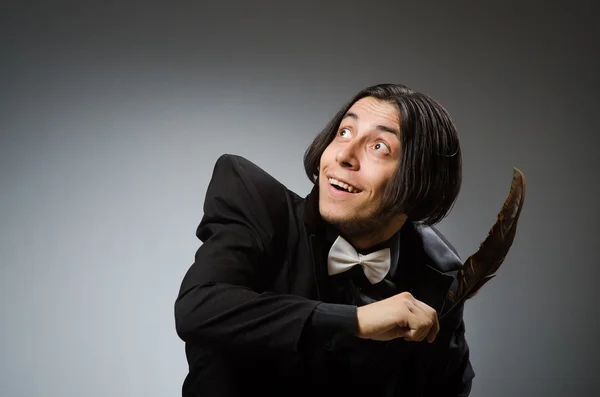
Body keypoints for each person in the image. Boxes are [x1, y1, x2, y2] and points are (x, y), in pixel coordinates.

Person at [175, 83, 475, 396]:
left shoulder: (438, 272)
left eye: (379, 147)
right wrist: (354, 320)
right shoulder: (257, 206)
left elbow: (450, 388)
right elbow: (198, 308)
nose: (344, 155)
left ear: (422, 182)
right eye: (344, 132)